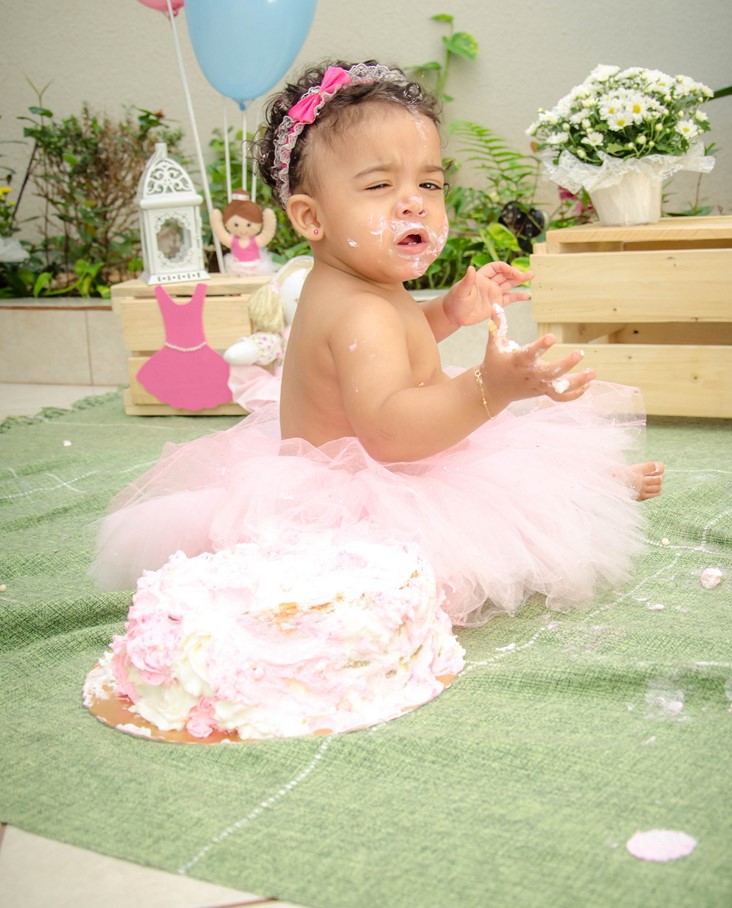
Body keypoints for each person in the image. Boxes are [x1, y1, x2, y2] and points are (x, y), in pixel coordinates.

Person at [92, 60, 663, 622]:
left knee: (512, 455)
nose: (414, 201)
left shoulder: (357, 284)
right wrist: (490, 387)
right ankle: (571, 499)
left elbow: (399, 343)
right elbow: (391, 432)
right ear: (311, 219)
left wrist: (448, 313)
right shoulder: (359, 310)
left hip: (393, 453)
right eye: (380, 185)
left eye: (429, 183)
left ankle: (576, 491)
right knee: (486, 492)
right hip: (366, 490)